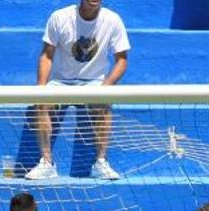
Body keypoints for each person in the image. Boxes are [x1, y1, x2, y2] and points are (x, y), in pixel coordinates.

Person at [25, 0, 130, 180]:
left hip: (94, 82)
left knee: (104, 102)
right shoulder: (60, 17)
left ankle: (101, 162)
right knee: (40, 102)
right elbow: (47, 55)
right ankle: (46, 162)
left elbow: (122, 59)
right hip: (61, 81)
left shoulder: (113, 20)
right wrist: (41, 87)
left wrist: (106, 86)